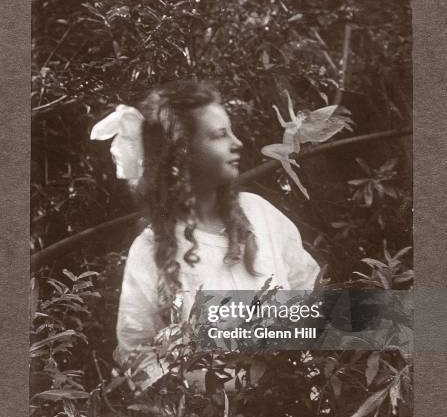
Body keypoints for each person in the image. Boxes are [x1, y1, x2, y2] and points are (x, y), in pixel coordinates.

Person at [91, 80, 320, 387]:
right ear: (182, 153)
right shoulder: (150, 249)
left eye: (231, 131)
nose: (237, 143)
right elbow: (138, 352)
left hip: (291, 401)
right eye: (219, 135)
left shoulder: (260, 214)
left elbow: (311, 293)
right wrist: (195, 398)